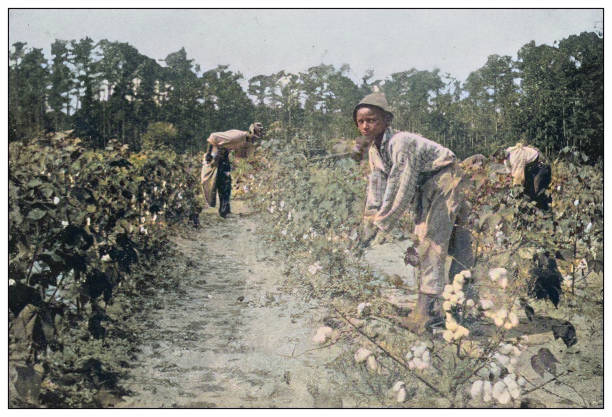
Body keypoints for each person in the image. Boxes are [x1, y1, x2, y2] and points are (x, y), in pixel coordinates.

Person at [353, 92, 473, 335]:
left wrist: (382, 223)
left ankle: (426, 315)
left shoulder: (401, 142)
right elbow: (376, 184)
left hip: (444, 181)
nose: (365, 126)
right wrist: (370, 218)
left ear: (386, 120)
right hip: (428, 186)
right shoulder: (376, 150)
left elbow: (401, 184)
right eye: (360, 121)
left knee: (432, 244)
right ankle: (452, 309)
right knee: (443, 245)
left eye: (371, 120)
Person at [201, 123, 263, 217]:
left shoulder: (246, 142)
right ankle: (222, 211)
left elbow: (241, 157)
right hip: (214, 157)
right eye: (254, 137)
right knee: (212, 184)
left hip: (224, 158)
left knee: (226, 185)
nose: (254, 140)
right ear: (250, 133)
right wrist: (209, 154)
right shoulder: (236, 136)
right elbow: (213, 136)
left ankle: (225, 211)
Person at [495, 142, 551, 210]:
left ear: (501, 155)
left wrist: (513, 194)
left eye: (498, 159)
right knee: (527, 191)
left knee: (536, 191)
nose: (499, 161)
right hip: (531, 168)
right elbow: (510, 176)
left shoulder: (515, 156)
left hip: (541, 166)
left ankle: (545, 209)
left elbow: (519, 178)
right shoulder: (506, 160)